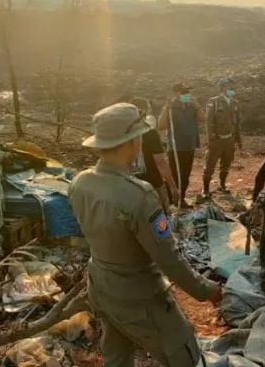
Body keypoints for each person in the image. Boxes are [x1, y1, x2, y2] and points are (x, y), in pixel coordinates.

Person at [68, 102, 222, 367]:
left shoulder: (80, 182)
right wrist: (205, 289)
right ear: (131, 142)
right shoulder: (140, 196)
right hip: (139, 298)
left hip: (100, 286)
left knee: (117, 355)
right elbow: (168, 259)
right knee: (185, 356)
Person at [122, 96, 179, 212]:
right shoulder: (150, 133)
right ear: (146, 111)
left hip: (128, 184)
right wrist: (173, 187)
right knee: (158, 219)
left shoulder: (121, 133)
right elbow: (161, 162)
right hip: (152, 184)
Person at [158, 83, 203, 208]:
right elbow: (161, 125)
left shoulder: (192, 107)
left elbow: (202, 118)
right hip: (175, 147)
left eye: (187, 92)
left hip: (189, 146)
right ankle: (169, 200)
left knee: (185, 175)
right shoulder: (171, 107)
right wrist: (166, 107)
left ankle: (181, 199)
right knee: (173, 175)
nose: (186, 95)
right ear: (176, 94)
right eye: (183, 93)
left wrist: (196, 105)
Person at [202, 77, 243, 198]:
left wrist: (239, 140)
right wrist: (210, 139)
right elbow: (208, 122)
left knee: (226, 163)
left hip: (229, 140)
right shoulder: (213, 102)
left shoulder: (235, 103)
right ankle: (205, 189)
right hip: (217, 140)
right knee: (210, 165)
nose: (231, 88)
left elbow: (237, 124)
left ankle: (222, 185)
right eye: (228, 86)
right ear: (222, 88)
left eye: (232, 86)